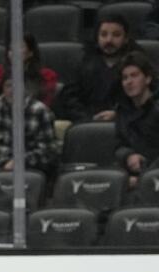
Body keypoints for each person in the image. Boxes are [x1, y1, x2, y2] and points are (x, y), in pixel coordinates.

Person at [56, 14, 140, 123]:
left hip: (129, 125)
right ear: (97, 38)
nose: (109, 40)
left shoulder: (138, 64)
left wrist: (119, 115)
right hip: (86, 125)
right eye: (104, 35)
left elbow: (146, 101)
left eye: (116, 35)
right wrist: (88, 119)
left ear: (126, 39)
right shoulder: (82, 63)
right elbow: (70, 99)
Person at [114, 52, 159, 189]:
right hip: (131, 176)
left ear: (147, 78)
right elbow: (119, 145)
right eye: (125, 78)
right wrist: (128, 156)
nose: (129, 81)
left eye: (134, 75)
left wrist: (144, 178)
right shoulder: (122, 111)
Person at [0, 35, 58, 109]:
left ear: (31, 52)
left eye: (19, 47)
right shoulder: (0, 72)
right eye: (11, 49)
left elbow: (45, 105)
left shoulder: (46, 75)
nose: (14, 52)